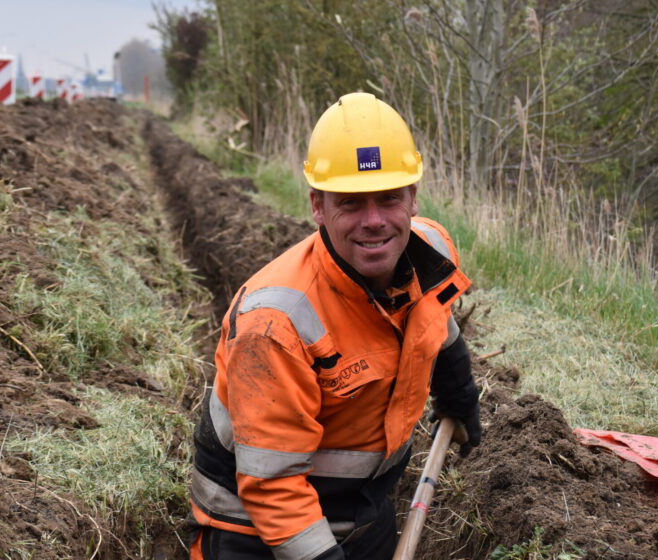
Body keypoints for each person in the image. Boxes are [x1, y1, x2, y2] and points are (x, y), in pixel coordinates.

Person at [188, 92, 482, 560]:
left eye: (389, 199)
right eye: (350, 203)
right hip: (252, 528)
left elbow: (432, 323)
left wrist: (458, 390)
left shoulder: (432, 252)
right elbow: (273, 486)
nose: (374, 222)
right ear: (318, 207)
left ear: (413, 198)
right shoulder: (276, 322)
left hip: (362, 510)